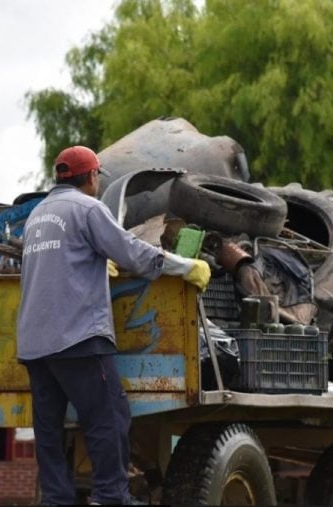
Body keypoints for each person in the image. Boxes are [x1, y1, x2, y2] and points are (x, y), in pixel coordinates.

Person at [16, 145, 210, 505]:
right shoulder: (88, 208)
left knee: (48, 430)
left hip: (34, 344)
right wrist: (186, 267)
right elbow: (132, 252)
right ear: (91, 177)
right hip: (77, 338)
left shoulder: (37, 216)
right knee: (108, 418)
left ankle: (56, 500)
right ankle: (110, 498)